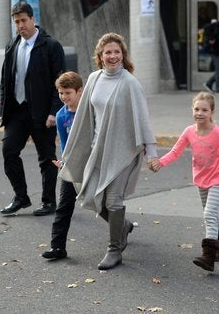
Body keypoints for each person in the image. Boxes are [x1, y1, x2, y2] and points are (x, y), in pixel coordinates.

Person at [58, 32, 157, 270]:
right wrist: (69, 153)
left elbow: (143, 119)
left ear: (123, 54)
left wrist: (152, 152)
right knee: (90, 196)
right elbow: (83, 117)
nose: (113, 56)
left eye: (117, 51)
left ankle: (114, 249)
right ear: (100, 56)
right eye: (108, 52)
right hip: (97, 149)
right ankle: (122, 226)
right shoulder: (93, 79)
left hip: (123, 151)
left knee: (113, 201)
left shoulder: (130, 83)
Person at [150, 92, 219, 272]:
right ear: (192, 110)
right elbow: (175, 152)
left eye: (204, 110)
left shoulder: (218, 132)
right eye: (196, 109)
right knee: (211, 214)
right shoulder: (189, 132)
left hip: (217, 180)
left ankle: (208, 255)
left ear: (212, 112)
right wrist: (160, 163)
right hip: (200, 180)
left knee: (209, 214)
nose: (200, 113)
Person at [0, 0, 65, 216]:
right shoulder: (12, 45)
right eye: (16, 22)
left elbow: (61, 81)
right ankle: (21, 197)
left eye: (23, 20)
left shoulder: (51, 45)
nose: (20, 26)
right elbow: (5, 81)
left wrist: (54, 112)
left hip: (43, 112)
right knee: (9, 151)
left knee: (46, 158)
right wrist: (3, 111)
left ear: (33, 19)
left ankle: (48, 202)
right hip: (17, 111)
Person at [42, 71, 83, 260]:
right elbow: (65, 143)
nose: (64, 97)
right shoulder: (61, 116)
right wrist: (64, 162)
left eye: (68, 93)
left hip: (92, 164)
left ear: (79, 91)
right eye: (61, 93)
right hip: (71, 166)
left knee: (101, 204)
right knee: (64, 205)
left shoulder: (89, 110)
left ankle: (123, 226)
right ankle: (57, 247)